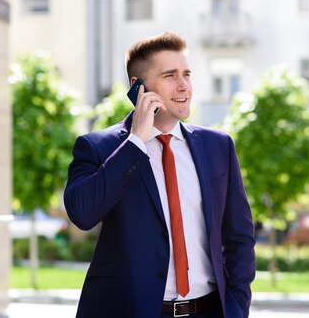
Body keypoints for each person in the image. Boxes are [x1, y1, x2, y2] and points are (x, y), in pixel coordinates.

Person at [64, 32, 256, 318]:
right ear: (138, 87)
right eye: (170, 75)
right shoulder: (99, 148)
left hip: (209, 310)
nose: (184, 86)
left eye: (187, 74)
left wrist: (237, 308)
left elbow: (239, 236)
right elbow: (82, 214)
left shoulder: (218, 146)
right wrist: (136, 143)